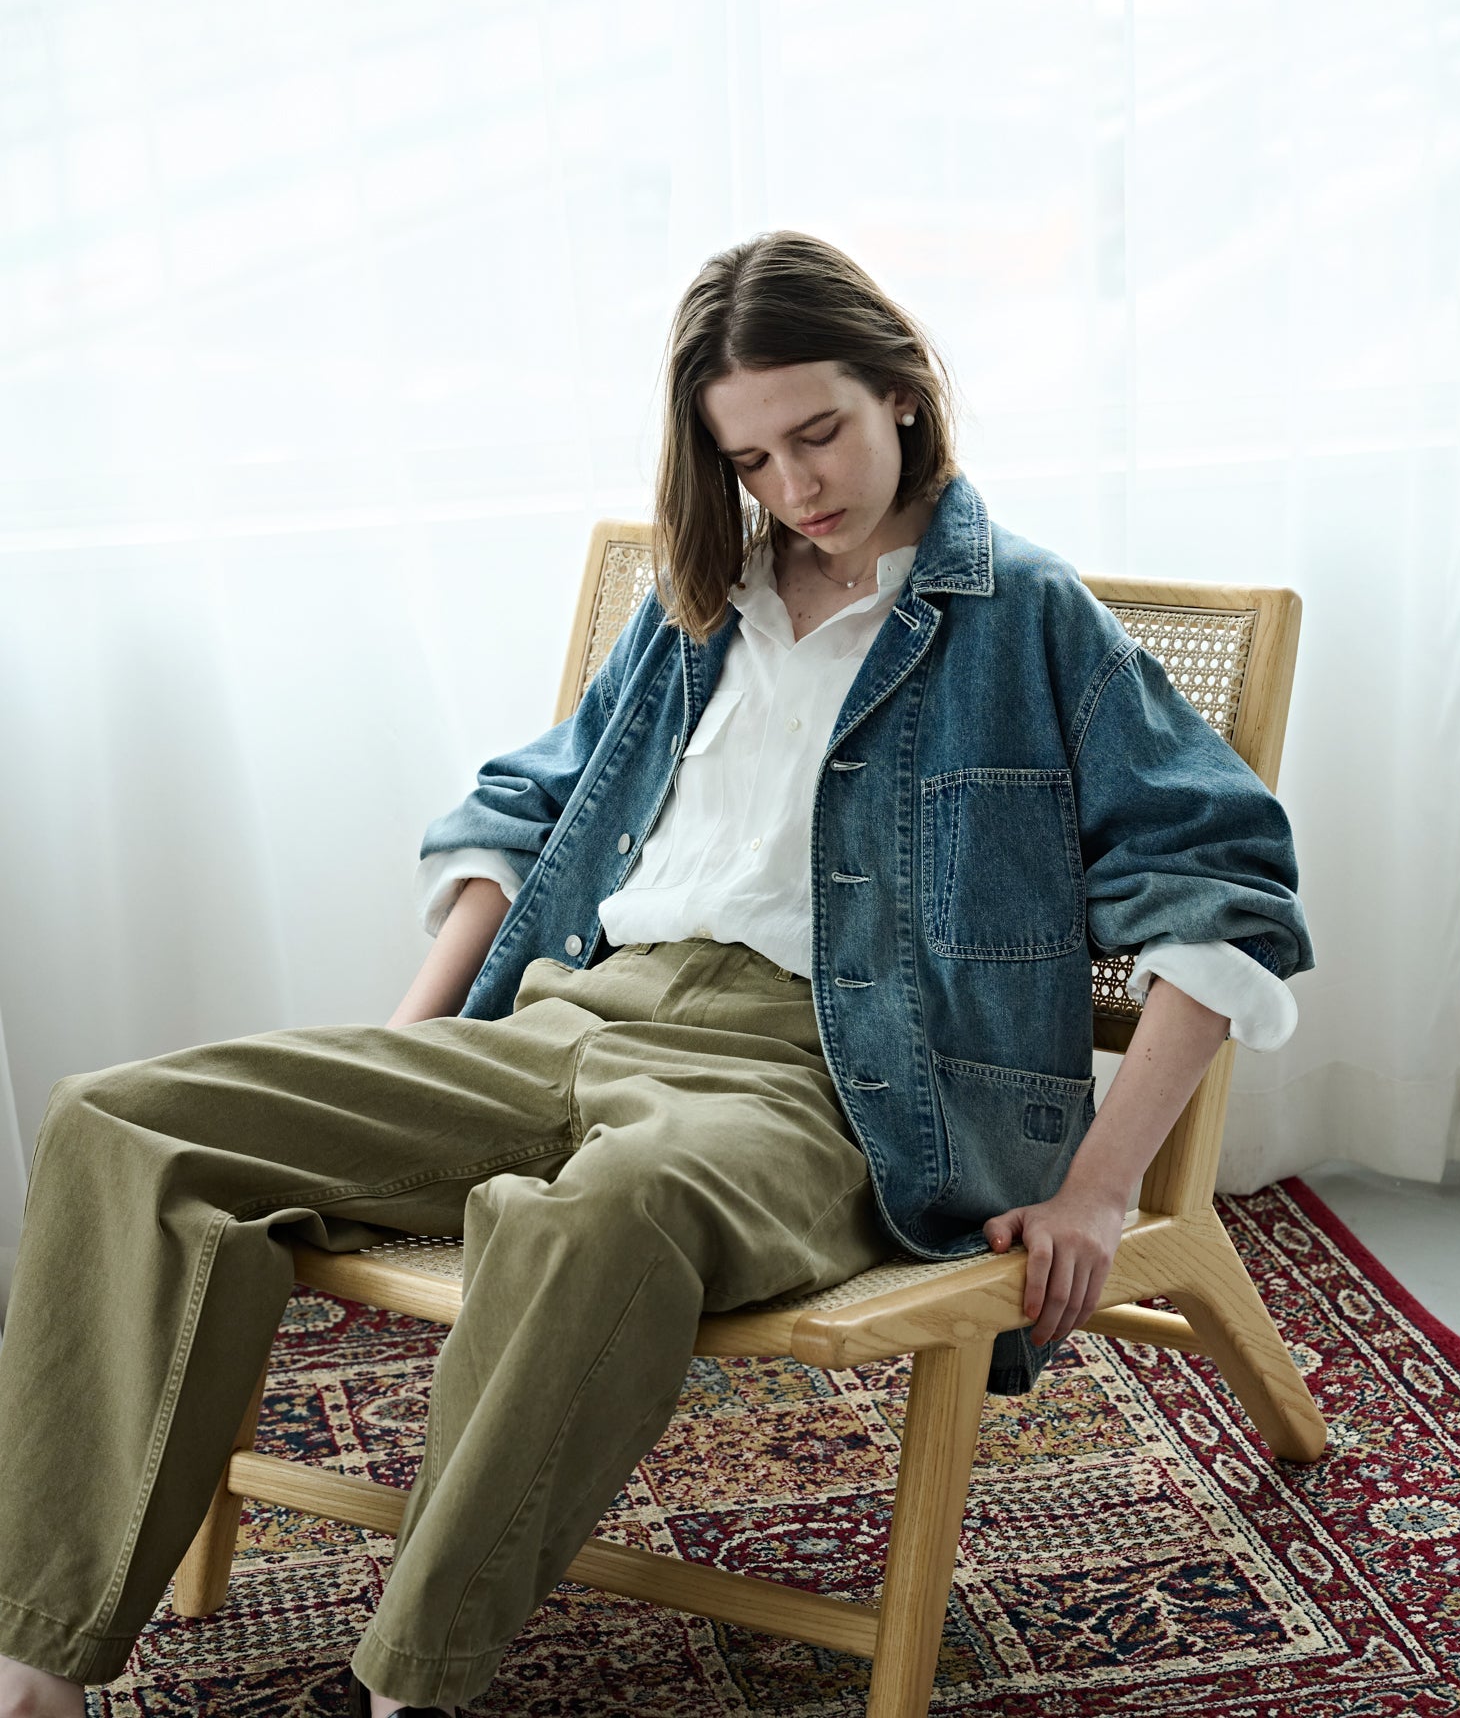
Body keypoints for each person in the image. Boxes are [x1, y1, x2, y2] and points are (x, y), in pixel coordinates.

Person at [0, 230, 1311, 1718]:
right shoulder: (698, 605)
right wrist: (411, 1037)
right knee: (119, 1120)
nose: (795, 486)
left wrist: (1100, 1187)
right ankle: (37, 1658)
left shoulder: (1030, 620)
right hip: (567, 1016)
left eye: (818, 432)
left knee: (604, 1216)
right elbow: (527, 808)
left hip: (823, 1083)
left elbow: (1226, 885)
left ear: (902, 389)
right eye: (750, 459)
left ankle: (413, 1683)